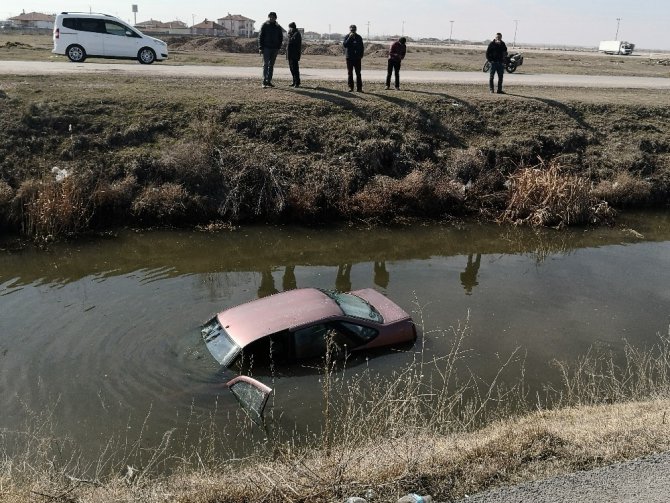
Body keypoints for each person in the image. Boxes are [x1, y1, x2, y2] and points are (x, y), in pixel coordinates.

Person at [258, 12, 284, 89]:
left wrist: (279, 47)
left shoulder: (278, 27)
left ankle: (269, 81)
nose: (271, 18)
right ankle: (264, 81)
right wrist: (260, 47)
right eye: (270, 17)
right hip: (266, 48)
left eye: (273, 17)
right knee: (265, 65)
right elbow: (260, 37)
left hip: (275, 48)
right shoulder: (265, 25)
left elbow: (281, 37)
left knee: (271, 65)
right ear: (268, 17)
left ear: (276, 18)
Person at [343, 24, 365, 92]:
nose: (353, 31)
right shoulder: (347, 36)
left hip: (357, 58)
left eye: (354, 30)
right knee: (350, 73)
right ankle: (350, 87)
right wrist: (349, 38)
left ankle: (359, 88)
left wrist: (361, 55)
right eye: (352, 30)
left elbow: (362, 47)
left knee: (358, 73)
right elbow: (345, 45)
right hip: (349, 58)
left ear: (356, 30)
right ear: (350, 30)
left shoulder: (359, 37)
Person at [286, 22, 302, 87]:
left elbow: (292, 42)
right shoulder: (293, 34)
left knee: (295, 69)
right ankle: (294, 81)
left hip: (294, 54)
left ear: (292, 28)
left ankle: (297, 82)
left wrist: (289, 35)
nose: (289, 29)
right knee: (292, 69)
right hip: (290, 54)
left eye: (289, 28)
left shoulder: (296, 34)